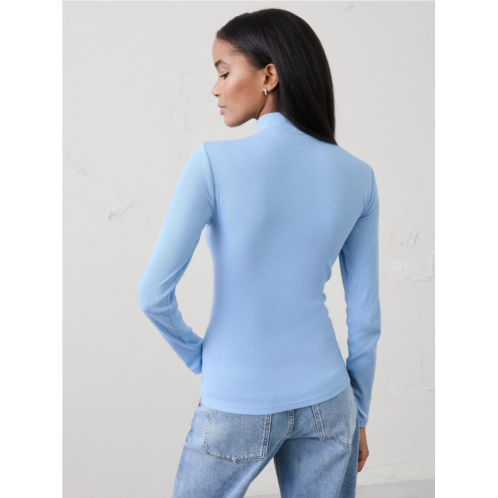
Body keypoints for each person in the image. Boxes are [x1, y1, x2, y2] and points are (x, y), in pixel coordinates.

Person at [138, 8, 381, 498]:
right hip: (330, 401)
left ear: (269, 76)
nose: (215, 89)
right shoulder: (359, 176)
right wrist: (359, 413)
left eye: (224, 72)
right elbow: (366, 318)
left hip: (236, 399)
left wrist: (202, 358)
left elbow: (153, 295)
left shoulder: (211, 163)